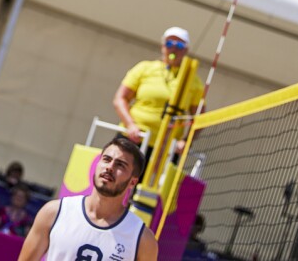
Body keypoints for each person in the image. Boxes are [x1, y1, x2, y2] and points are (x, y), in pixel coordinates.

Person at [18, 136, 158, 261]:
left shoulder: (142, 239)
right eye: (106, 159)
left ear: (133, 182)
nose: (110, 167)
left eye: (120, 165)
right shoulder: (54, 212)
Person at [113, 27, 204, 154]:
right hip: (134, 139)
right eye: (169, 43)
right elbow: (120, 98)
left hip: (166, 148)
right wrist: (130, 125)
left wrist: (186, 141)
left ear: (186, 50)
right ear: (163, 46)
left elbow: (199, 117)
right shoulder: (145, 68)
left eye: (179, 45)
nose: (173, 48)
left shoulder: (193, 80)